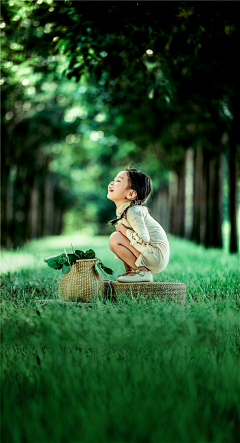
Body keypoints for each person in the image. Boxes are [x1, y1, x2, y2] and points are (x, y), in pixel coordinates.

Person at [107, 167, 170, 282]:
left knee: (115, 237)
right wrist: (128, 272)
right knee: (117, 238)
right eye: (114, 179)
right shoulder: (126, 210)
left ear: (131, 194)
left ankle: (142, 273)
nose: (112, 183)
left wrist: (123, 230)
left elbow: (143, 239)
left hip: (156, 256)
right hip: (151, 255)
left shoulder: (133, 211)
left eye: (118, 181)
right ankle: (134, 272)